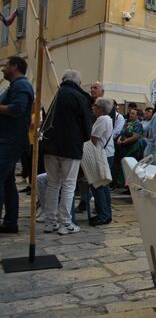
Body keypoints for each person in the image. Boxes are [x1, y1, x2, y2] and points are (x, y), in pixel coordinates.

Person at [42, 70, 92, 235]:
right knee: (69, 184)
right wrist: (83, 137)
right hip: (70, 147)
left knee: (53, 184)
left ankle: (49, 221)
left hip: (50, 146)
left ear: (63, 80)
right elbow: (87, 125)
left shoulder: (55, 94)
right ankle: (65, 222)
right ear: (78, 82)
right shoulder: (80, 97)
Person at [0, 56, 34, 234]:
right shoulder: (16, 86)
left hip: (10, 140)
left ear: (14, 67)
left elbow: (17, 109)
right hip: (9, 139)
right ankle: (10, 222)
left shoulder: (21, 85)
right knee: (7, 182)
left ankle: (10, 221)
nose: (3, 69)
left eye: (6, 65)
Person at [89, 97, 115, 226]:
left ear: (100, 108)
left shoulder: (101, 119)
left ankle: (103, 215)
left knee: (99, 185)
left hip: (100, 154)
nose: (93, 107)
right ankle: (106, 214)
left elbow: (93, 138)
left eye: (95, 105)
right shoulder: (108, 119)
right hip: (108, 154)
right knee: (104, 186)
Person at [115, 108, 145, 186]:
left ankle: (130, 185)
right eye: (130, 113)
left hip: (134, 147)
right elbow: (122, 133)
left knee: (130, 166)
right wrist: (119, 140)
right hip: (125, 146)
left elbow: (135, 137)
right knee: (124, 164)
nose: (130, 115)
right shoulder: (128, 123)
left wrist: (123, 142)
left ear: (137, 116)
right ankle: (124, 184)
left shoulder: (138, 124)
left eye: (133, 113)